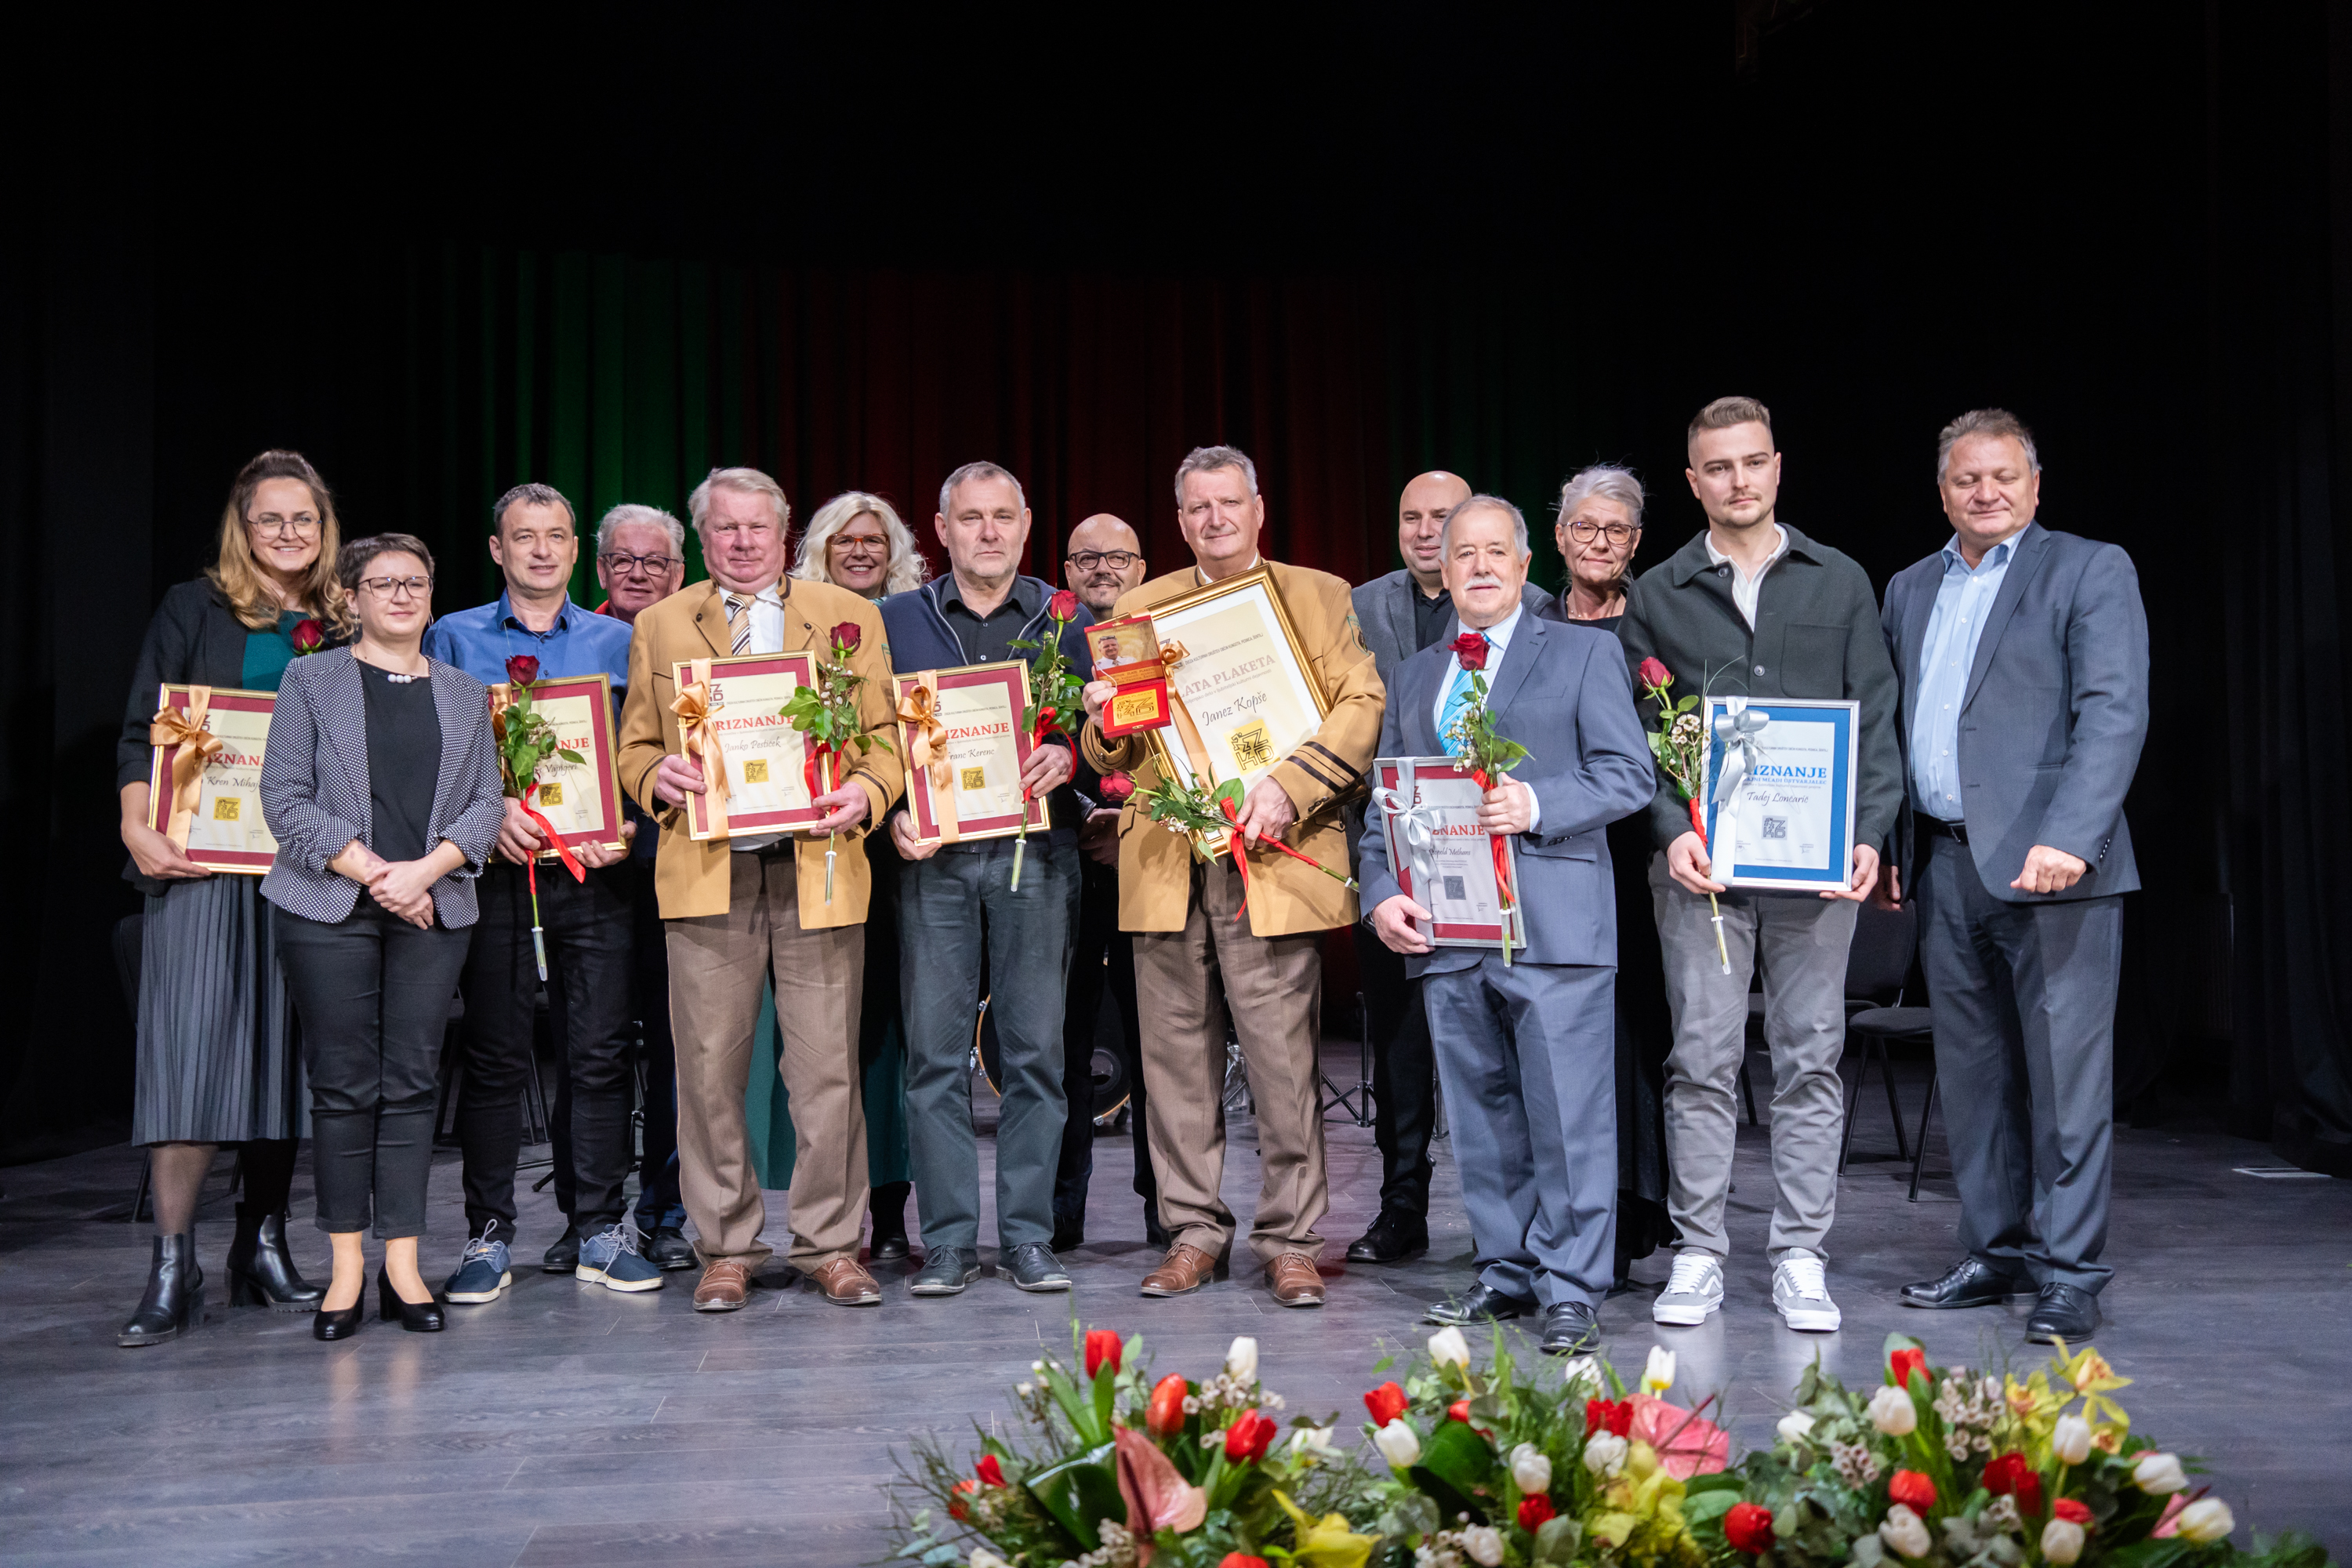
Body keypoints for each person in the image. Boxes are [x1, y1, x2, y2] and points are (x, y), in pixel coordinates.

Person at [1617, 397, 1900, 1333]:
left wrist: (1867, 832)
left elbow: (1878, 720)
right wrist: (1670, 828)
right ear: (1693, 481)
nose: (1738, 480)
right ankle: (1699, 1248)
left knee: (1811, 1059)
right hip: (1702, 870)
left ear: (1777, 466)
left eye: (1752, 463)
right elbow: (1640, 736)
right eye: (1717, 467)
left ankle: (1800, 1252)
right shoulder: (1657, 592)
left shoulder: (1842, 581)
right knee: (1700, 1057)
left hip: (1816, 872)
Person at [1079, 445, 1384, 1308]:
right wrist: (1103, 720)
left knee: (1285, 1064)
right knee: (1174, 1064)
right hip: (1169, 862)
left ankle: (1289, 1238)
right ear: (1180, 521)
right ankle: (1193, 1233)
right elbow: (1121, 742)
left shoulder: (1317, 594)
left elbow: (1360, 703)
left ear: (1258, 509)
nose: (1214, 519)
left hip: (1271, 852)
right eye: (1196, 508)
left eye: (1228, 503)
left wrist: (1290, 786)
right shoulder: (1142, 605)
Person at [1362, 495, 1653, 1353]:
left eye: (1498, 552)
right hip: (1450, 930)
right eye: (1464, 554)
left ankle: (1572, 1283)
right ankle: (1505, 1267)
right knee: (1482, 1117)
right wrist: (1382, 889)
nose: (1481, 566)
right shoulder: (1417, 674)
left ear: (1526, 566)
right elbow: (1388, 801)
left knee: (1568, 1116)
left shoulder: (1584, 651)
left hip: (1555, 927)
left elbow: (1628, 773)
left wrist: (1539, 801)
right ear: (1442, 570)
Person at [1881, 410, 2148, 1343]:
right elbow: (1893, 729)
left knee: (2066, 1082)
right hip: (1946, 863)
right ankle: (1994, 1248)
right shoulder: (1911, 585)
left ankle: (2071, 1270)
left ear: (2035, 487)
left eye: (2002, 476)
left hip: (2054, 867)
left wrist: (2074, 834)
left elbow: (2113, 711)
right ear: (1943, 490)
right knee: (1974, 1077)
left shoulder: (2088, 568)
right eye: (1965, 479)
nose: (1984, 492)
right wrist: (1886, 845)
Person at [615, 466, 905, 1312]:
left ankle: (827, 1243)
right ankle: (727, 1246)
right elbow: (633, 746)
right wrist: (652, 775)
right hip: (709, 870)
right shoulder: (663, 623)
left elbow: (885, 739)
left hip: (818, 862)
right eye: (726, 528)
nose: (742, 542)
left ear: (784, 535)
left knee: (825, 1072)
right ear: (703, 538)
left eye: (757, 527)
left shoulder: (849, 616)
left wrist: (868, 791)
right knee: (709, 1072)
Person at [113, 449, 352, 1345]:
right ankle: (173, 1261)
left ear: (324, 529)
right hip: (204, 868)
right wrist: (139, 825)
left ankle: (261, 1243)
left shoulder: (342, 617)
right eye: (270, 519)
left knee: (291, 1065)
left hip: (312, 869)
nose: (289, 534)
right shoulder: (194, 606)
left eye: (305, 519)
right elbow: (145, 726)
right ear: (241, 526)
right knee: (189, 1056)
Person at [260, 533, 505, 1339]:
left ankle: (402, 1260)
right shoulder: (311, 677)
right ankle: (346, 1269)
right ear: (353, 596)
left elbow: (483, 806)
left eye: (416, 581)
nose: (401, 594)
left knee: (411, 1085)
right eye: (383, 582)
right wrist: (378, 874)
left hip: (430, 907)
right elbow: (286, 799)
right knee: (342, 1087)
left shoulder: (468, 693)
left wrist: (422, 873)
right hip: (330, 903)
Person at [423, 485, 661, 1301]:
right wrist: (486, 818)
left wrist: (629, 820)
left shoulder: (619, 640)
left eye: (556, 535)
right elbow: (431, 755)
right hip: (491, 877)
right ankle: (487, 1237)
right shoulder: (450, 636)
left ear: (575, 551)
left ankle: (599, 1226)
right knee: (494, 1058)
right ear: (498, 550)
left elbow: (639, 752)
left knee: (598, 1056)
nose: (540, 550)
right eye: (523, 537)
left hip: (596, 875)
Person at [878, 463, 1093, 1296]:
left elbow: (1097, 728)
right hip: (931, 861)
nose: (989, 532)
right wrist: (893, 805)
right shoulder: (896, 620)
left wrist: (1067, 753)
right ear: (942, 528)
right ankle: (948, 1243)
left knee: (1035, 1053)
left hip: (1035, 857)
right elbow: (868, 736)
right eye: (972, 518)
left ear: (1027, 523)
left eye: (1003, 517)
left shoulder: (1061, 618)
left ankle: (1030, 1236)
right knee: (934, 1059)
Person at [1345, 470, 1548, 1266]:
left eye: (1447, 519)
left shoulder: (1531, 611)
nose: (1428, 531)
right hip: (1399, 853)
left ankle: (1513, 1228)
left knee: (1500, 1051)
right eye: (1412, 518)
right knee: (1398, 1046)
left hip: (1503, 861)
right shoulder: (1359, 606)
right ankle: (1402, 1207)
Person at [1536, 466, 1676, 1281]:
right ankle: (1568, 1212)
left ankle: (1636, 1208)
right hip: (1555, 853)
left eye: (1616, 530)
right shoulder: (1532, 625)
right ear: (1557, 535)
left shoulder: (1659, 625)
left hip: (1641, 855)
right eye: (1584, 527)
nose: (1598, 542)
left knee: (1637, 1035)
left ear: (1635, 541)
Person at [793, 489, 925, 1261]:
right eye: (844, 539)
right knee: (840, 1043)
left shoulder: (915, 619)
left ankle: (894, 1212)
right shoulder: (793, 622)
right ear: (822, 547)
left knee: (901, 1039)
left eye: (874, 538)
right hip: (825, 849)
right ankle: (835, 1215)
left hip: (913, 846)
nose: (860, 550)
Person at [590, 504, 696, 1269]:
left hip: (677, 870)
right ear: (599, 570)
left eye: (654, 561)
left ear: (679, 571)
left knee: (676, 1053)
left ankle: (665, 1211)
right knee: (588, 1051)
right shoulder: (573, 647)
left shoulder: (700, 643)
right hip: (583, 878)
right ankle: (584, 1214)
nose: (637, 573)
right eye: (623, 560)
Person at [1051, 514, 1157, 1253]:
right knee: (1063, 1049)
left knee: (1161, 1051)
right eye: (1086, 558)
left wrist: (1131, 825)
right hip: (1069, 868)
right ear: (1066, 570)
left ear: (1142, 566)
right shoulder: (1043, 643)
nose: (1102, 569)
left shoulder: (1171, 636)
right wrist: (1085, 813)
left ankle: (1167, 1208)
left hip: (1153, 865)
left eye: (1117, 556)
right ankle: (1061, 1216)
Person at [793, 489, 930, 598]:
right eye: (845, 541)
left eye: (872, 540)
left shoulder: (916, 616)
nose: (859, 553)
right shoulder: (795, 617)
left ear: (892, 553)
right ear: (823, 552)